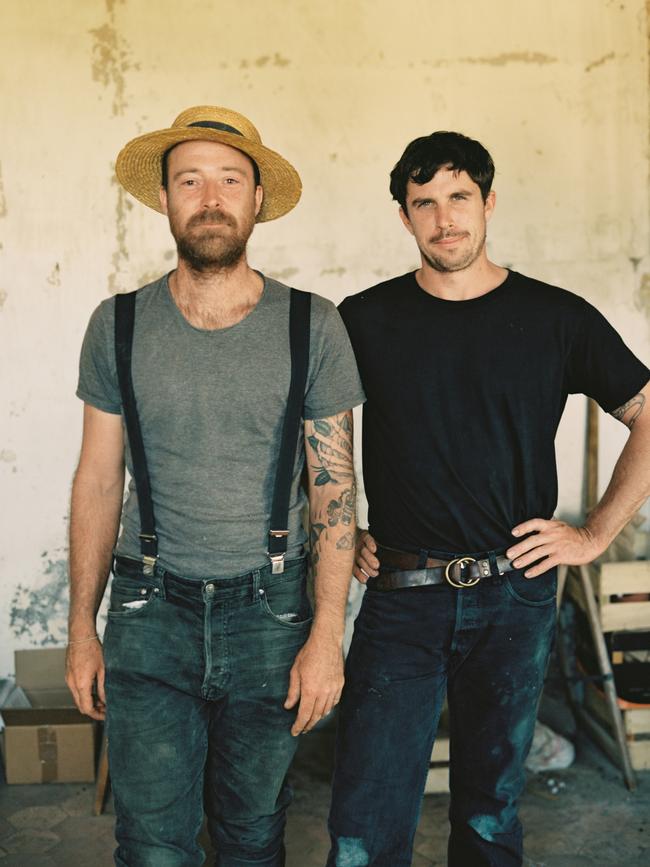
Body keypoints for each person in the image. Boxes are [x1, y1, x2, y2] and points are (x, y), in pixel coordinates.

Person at [327, 130, 650, 867]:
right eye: (424, 203)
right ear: (404, 218)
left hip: (516, 594)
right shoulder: (364, 319)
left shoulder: (556, 316)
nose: (445, 218)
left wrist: (594, 533)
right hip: (401, 591)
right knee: (364, 825)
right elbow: (311, 435)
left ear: (489, 202)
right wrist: (336, 532)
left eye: (459, 197)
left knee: (489, 815)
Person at [65, 105, 365, 867]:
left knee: (252, 833)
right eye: (189, 179)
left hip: (271, 611)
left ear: (257, 199)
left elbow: (334, 491)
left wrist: (327, 636)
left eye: (230, 179)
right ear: (163, 199)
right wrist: (80, 626)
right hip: (146, 607)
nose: (210, 196)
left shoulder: (312, 324)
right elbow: (99, 482)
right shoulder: (118, 324)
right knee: (153, 843)